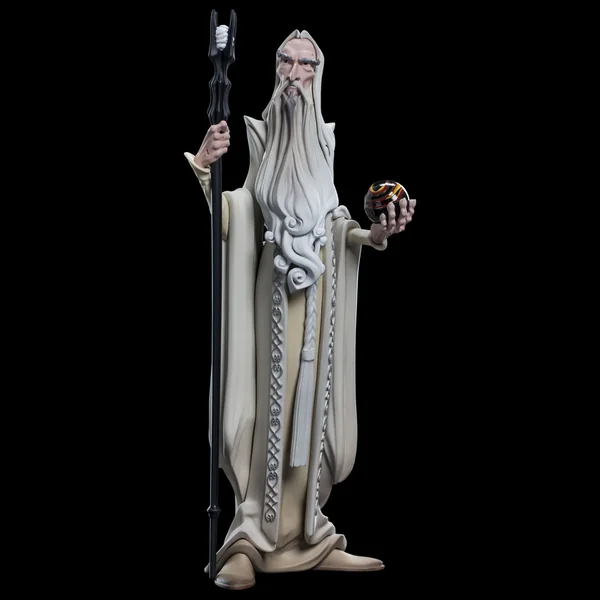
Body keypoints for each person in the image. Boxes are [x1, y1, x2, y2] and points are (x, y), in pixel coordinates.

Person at [184, 29, 415, 590]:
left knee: (311, 420)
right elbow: (238, 214)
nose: (294, 74)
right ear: (276, 69)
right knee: (270, 411)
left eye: (305, 65)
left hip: (321, 302)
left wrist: (372, 236)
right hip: (273, 301)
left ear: (318, 73)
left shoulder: (321, 141)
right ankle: (248, 542)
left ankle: (309, 538)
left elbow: (334, 223)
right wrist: (207, 169)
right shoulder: (263, 136)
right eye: (285, 62)